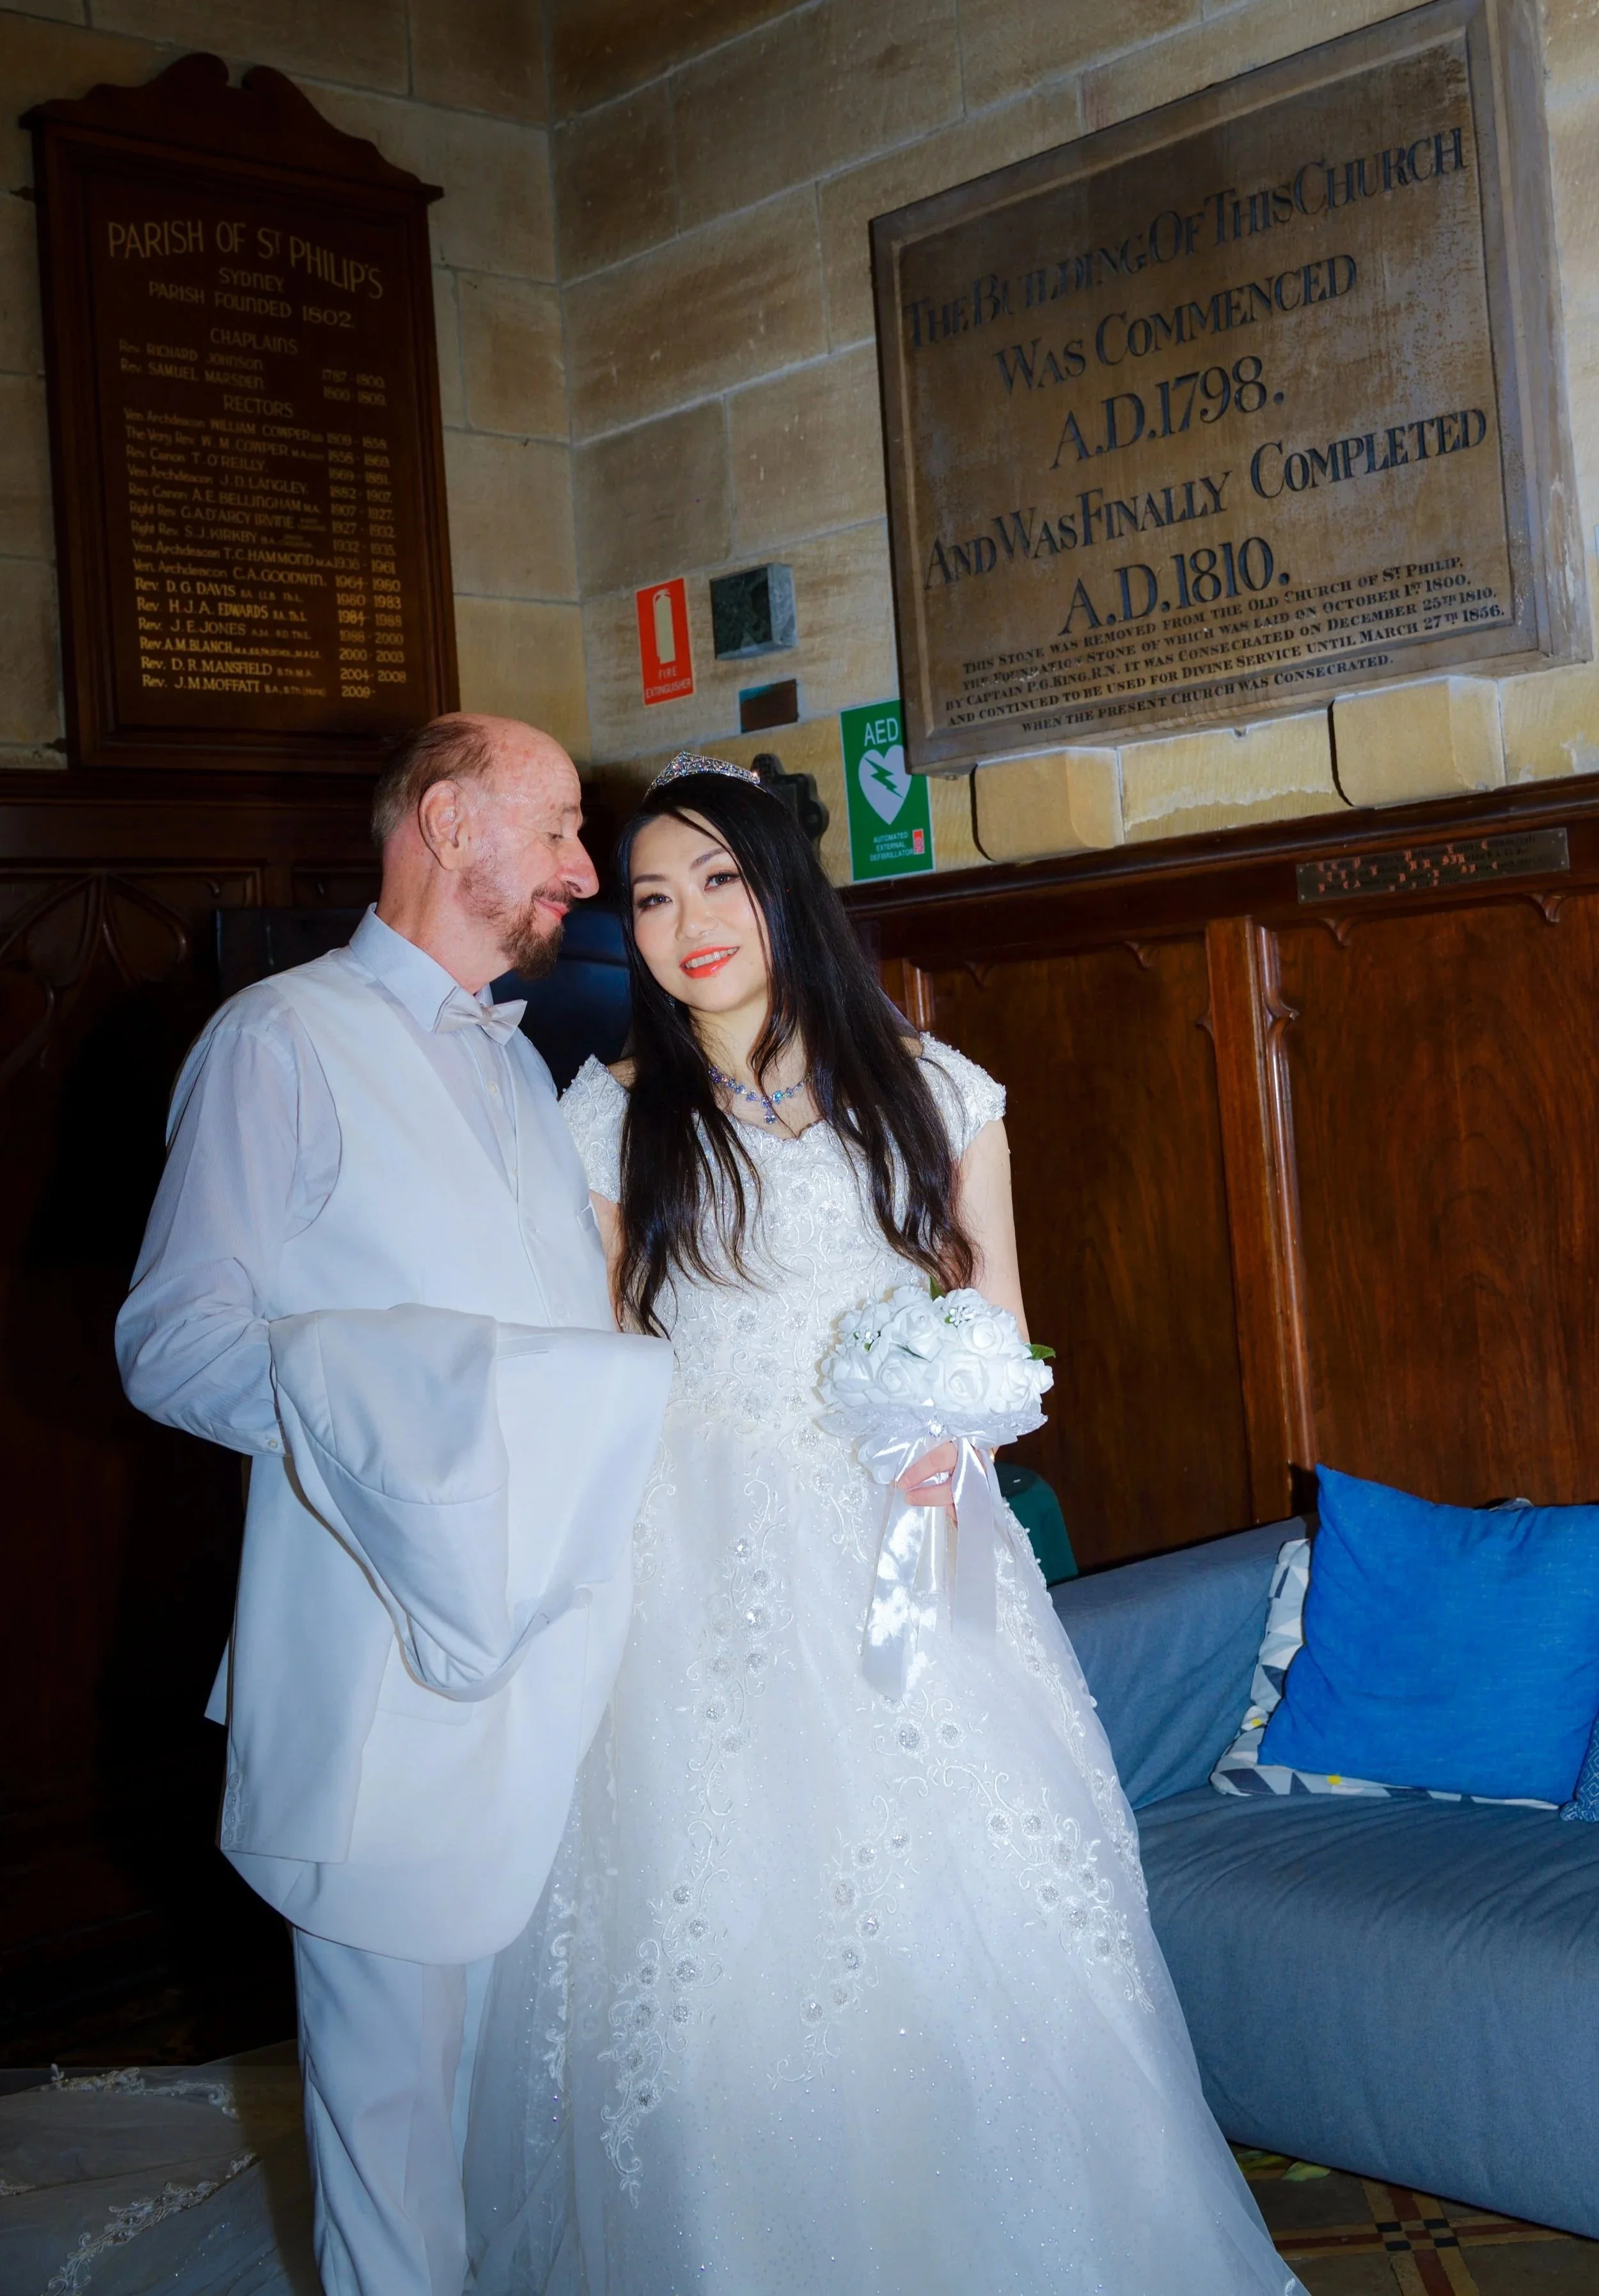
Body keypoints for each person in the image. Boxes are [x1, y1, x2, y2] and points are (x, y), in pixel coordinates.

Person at [464, 753, 1303, 2296]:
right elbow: (593, 1366)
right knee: (718, 1936)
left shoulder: (934, 1087)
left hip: (907, 1532)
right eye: (648, 895)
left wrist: (947, 1414)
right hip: (687, 1561)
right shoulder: (608, 1120)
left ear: (784, 889)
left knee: (972, 1905)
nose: (682, 921)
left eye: (716, 879)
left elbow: (1002, 1326)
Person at [114, 714, 672, 2296]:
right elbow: (173, 1344)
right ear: (444, 825)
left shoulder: (517, 1059)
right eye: (558, 828)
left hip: (549, 1663)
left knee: (504, 2107)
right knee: (387, 2128)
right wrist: (399, 1421)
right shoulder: (277, 1041)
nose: (584, 867)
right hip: (376, 1668)